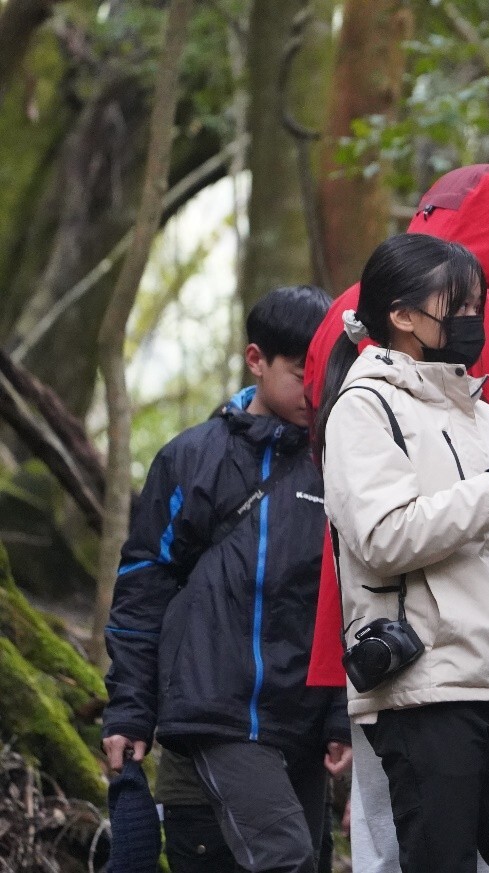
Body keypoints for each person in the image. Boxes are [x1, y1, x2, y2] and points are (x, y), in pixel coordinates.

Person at [301, 164, 489, 870]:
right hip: (423, 689)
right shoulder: (364, 408)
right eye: (459, 305)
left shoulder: (480, 412)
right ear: (401, 314)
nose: (474, 321)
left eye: (480, 304)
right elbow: (384, 537)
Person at [102, 285, 350, 873]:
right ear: (256, 360)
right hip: (215, 712)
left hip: (305, 722)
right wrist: (130, 711)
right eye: (298, 373)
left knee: (306, 858)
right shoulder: (192, 459)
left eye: (323, 374)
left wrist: (340, 715)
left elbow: (351, 599)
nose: (314, 392)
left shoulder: (340, 461)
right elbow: (142, 587)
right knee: (286, 858)